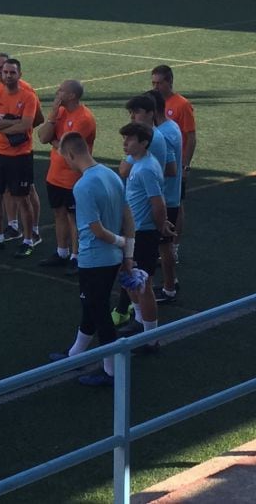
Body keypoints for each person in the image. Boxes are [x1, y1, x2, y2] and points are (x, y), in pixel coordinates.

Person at [47, 133, 135, 387]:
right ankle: (76, 353)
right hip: (111, 259)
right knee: (91, 305)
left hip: (94, 259)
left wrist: (120, 243)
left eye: (65, 158)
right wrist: (127, 253)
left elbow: (96, 229)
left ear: (72, 154)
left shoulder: (83, 186)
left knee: (99, 313)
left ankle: (111, 371)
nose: (66, 163)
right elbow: (128, 217)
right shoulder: (111, 174)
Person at [116, 122, 175, 352]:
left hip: (143, 233)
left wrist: (161, 226)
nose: (125, 143)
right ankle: (139, 322)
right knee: (130, 278)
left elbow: (157, 203)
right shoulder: (140, 165)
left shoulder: (147, 169)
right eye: (125, 139)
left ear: (144, 143)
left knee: (143, 284)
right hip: (133, 232)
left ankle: (151, 338)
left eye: (129, 140)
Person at [0, 58, 41, 257]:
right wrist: (10, 123)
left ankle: (28, 239)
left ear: (19, 75)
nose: (7, 75)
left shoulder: (28, 96)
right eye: (5, 72)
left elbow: (26, 125)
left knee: (22, 199)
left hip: (20, 156)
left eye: (12, 72)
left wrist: (2, 122)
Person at [37, 80, 96, 271]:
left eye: (61, 90)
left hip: (74, 178)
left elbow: (68, 147)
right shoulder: (60, 112)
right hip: (54, 175)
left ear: (71, 96)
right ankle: (62, 251)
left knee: (74, 217)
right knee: (58, 214)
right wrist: (53, 114)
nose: (57, 92)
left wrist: (56, 141)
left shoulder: (84, 118)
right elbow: (43, 137)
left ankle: (77, 256)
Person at [152, 65, 196, 265]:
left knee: (177, 206)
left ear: (170, 82)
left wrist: (185, 165)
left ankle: (174, 246)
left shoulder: (181, 104)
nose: (155, 86)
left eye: (159, 82)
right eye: (153, 82)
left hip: (176, 166)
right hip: (161, 165)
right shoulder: (154, 103)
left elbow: (191, 137)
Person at [145, 89, 182, 304]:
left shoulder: (163, 134)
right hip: (169, 196)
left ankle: (169, 288)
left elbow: (170, 169)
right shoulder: (171, 126)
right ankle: (171, 283)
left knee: (163, 245)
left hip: (164, 198)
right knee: (164, 245)